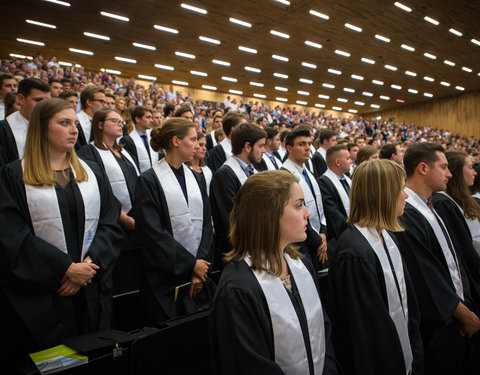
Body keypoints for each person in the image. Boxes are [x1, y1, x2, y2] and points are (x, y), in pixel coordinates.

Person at [0, 98, 123, 359]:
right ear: (42, 128)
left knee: (95, 359)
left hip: (90, 286)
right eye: (64, 123)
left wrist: (88, 265)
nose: (74, 130)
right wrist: (65, 269)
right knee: (55, 363)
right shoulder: (13, 176)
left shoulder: (92, 173)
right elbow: (11, 235)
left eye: (76, 124)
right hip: (45, 294)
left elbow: (110, 223)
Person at [210, 170, 340, 375]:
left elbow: (324, 335)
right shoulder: (238, 288)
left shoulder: (301, 266)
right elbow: (250, 365)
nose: (308, 213)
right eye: (299, 205)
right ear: (269, 214)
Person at [328, 159, 423, 375]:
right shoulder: (354, 253)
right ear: (384, 195)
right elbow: (364, 334)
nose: (406, 195)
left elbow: (407, 304)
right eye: (401, 189)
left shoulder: (387, 236)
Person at [395, 143, 480, 375]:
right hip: (440, 324)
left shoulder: (432, 204)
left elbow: (453, 260)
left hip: (457, 310)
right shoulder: (407, 213)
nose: (449, 173)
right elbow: (425, 274)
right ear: (423, 168)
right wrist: (461, 312)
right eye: (443, 167)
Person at [134, 117, 214, 323]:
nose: (197, 145)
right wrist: (191, 265)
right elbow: (152, 233)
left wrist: (200, 267)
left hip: (197, 274)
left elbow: (205, 223)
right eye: (193, 139)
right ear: (176, 141)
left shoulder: (196, 177)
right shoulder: (149, 180)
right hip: (164, 277)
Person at [210, 123, 266, 268]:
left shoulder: (254, 171)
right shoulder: (224, 175)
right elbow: (231, 220)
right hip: (237, 254)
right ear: (248, 146)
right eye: (260, 146)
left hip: (256, 248)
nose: (264, 151)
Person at [78, 108, 139, 241]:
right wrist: (124, 218)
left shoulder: (124, 152)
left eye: (120, 121)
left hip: (136, 219)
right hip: (113, 222)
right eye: (114, 121)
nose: (119, 124)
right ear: (100, 125)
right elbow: (96, 192)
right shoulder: (89, 152)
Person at [282, 127, 327, 271]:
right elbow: (294, 214)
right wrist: (318, 240)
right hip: (301, 243)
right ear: (289, 148)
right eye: (301, 144)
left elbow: (319, 207)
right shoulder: (284, 175)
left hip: (318, 238)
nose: (307, 148)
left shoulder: (307, 171)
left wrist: (323, 233)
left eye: (309, 144)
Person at [0, 78, 51, 166]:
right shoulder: (3, 130)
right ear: (21, 99)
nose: (43, 106)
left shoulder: (52, 126)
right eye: (38, 100)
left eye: (47, 101)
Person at [317, 144, 352, 240]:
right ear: (338, 162)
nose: (351, 161)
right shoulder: (323, 182)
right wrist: (352, 228)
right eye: (348, 158)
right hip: (341, 235)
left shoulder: (348, 180)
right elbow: (333, 213)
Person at [121, 105, 158, 173]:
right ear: (137, 119)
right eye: (148, 117)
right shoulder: (127, 141)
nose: (151, 120)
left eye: (151, 118)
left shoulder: (153, 137)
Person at [186, 131, 212, 195]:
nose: (204, 148)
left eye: (205, 145)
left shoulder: (207, 169)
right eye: (200, 145)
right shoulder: (184, 170)